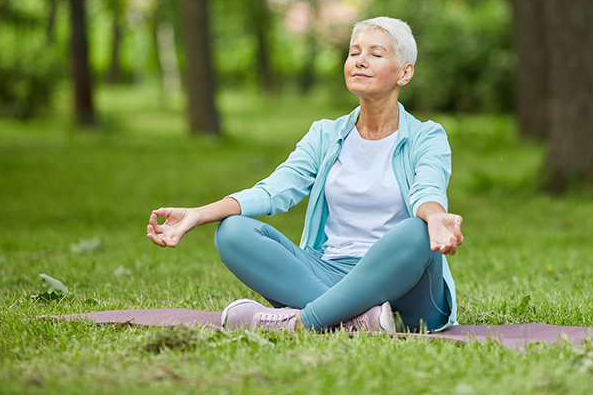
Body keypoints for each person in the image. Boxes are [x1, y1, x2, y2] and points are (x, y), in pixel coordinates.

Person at [146, 17, 463, 334]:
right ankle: (357, 320)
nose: (360, 61)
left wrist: (435, 217)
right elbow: (274, 190)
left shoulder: (427, 137)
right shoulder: (325, 135)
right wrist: (200, 214)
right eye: (354, 52)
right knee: (232, 231)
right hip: (327, 273)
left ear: (405, 73)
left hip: (406, 287)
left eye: (375, 54)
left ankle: (301, 321)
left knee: (418, 232)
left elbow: (427, 189)